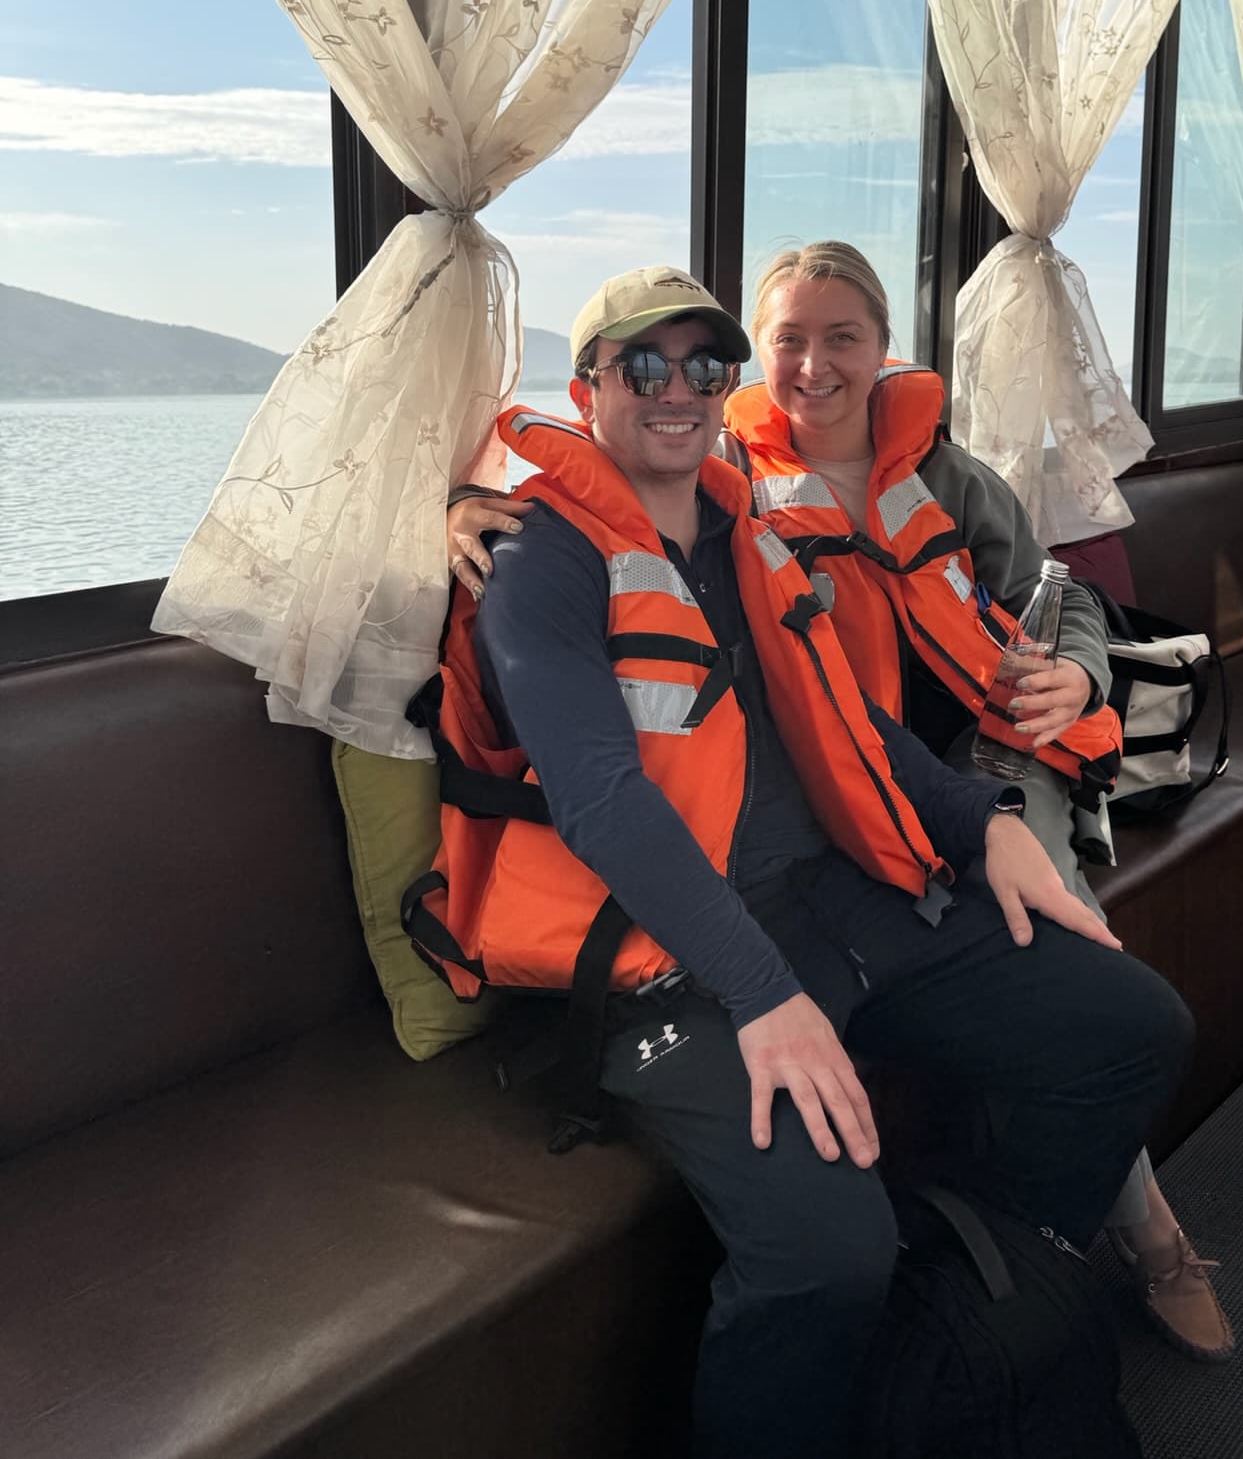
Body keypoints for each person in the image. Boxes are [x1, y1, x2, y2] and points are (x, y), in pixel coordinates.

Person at [429, 264, 1193, 1459]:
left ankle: (974, 1310)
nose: (678, 388)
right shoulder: (543, 566)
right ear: (586, 393)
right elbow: (600, 803)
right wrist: (765, 993)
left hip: (833, 898)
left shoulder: (749, 533)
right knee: (829, 1254)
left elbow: (847, 715)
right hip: (670, 961)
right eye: (643, 365)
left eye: (703, 365)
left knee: (1129, 1026)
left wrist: (981, 821)